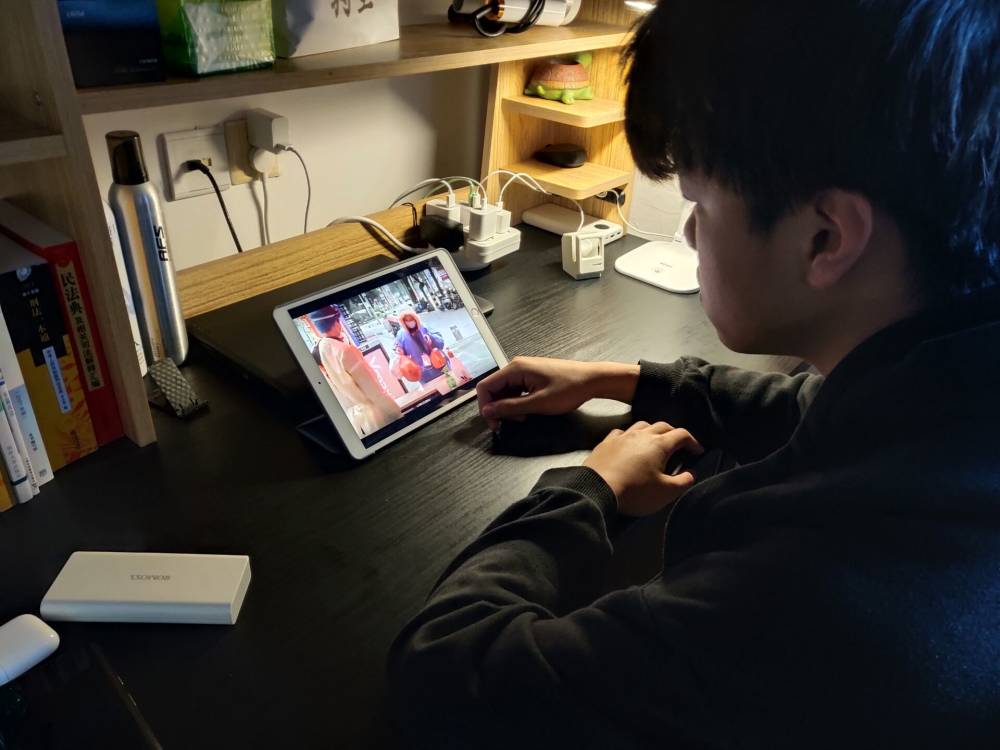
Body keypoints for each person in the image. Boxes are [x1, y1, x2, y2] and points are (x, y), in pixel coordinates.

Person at [387, 1, 1000, 747]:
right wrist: (614, 378)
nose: (687, 231)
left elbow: (445, 675)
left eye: (699, 203)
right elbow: (803, 405)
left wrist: (587, 490)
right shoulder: (949, 387)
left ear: (825, 238)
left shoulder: (809, 603)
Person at [310, 307, 401, 436]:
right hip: (377, 416)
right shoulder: (344, 350)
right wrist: (396, 412)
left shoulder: (318, 353)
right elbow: (373, 390)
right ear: (336, 322)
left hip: (355, 423)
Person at [393, 310, 446, 384]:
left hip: (441, 366)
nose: (410, 322)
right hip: (424, 376)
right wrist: (399, 351)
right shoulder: (401, 335)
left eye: (411, 319)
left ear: (416, 318)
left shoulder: (424, 327)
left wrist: (431, 337)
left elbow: (441, 343)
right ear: (403, 322)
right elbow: (398, 351)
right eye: (407, 320)